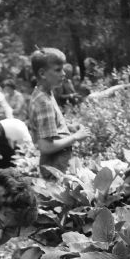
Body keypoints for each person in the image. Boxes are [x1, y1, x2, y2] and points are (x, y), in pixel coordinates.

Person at [28, 47, 90, 178]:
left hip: (55, 166)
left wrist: (68, 127)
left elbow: (48, 129)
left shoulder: (44, 93)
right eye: (58, 70)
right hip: (54, 169)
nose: (63, 74)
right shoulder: (44, 102)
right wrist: (75, 137)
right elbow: (46, 146)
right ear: (42, 74)